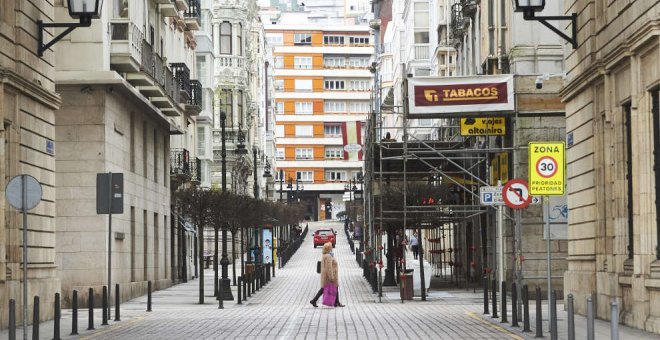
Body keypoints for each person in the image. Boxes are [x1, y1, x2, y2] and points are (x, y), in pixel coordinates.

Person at [310, 242, 345, 307]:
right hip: (329, 276)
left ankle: (336, 302)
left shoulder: (325, 255)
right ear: (329, 248)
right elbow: (329, 267)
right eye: (331, 247)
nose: (332, 248)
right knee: (326, 289)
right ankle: (314, 300)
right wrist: (331, 277)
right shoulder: (328, 256)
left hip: (326, 276)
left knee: (327, 288)